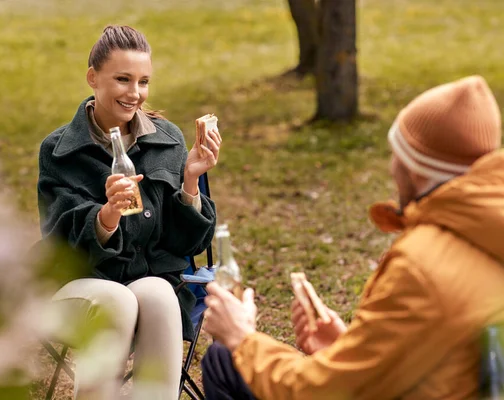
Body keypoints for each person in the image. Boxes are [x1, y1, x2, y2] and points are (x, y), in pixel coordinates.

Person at [201, 75, 504, 400]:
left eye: (395, 154)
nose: (391, 168)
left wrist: (241, 338)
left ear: (416, 168)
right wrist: (348, 346)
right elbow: (443, 362)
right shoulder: (486, 233)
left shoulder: (422, 266)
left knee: (224, 360)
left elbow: (324, 393)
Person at [37, 25, 221, 399]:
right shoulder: (59, 150)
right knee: (116, 300)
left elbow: (185, 244)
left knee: (156, 291)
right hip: (79, 287)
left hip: (149, 277)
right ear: (93, 77)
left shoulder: (166, 139)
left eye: (143, 81)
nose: (134, 93)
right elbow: (60, 246)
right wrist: (106, 216)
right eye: (122, 79)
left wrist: (189, 182)